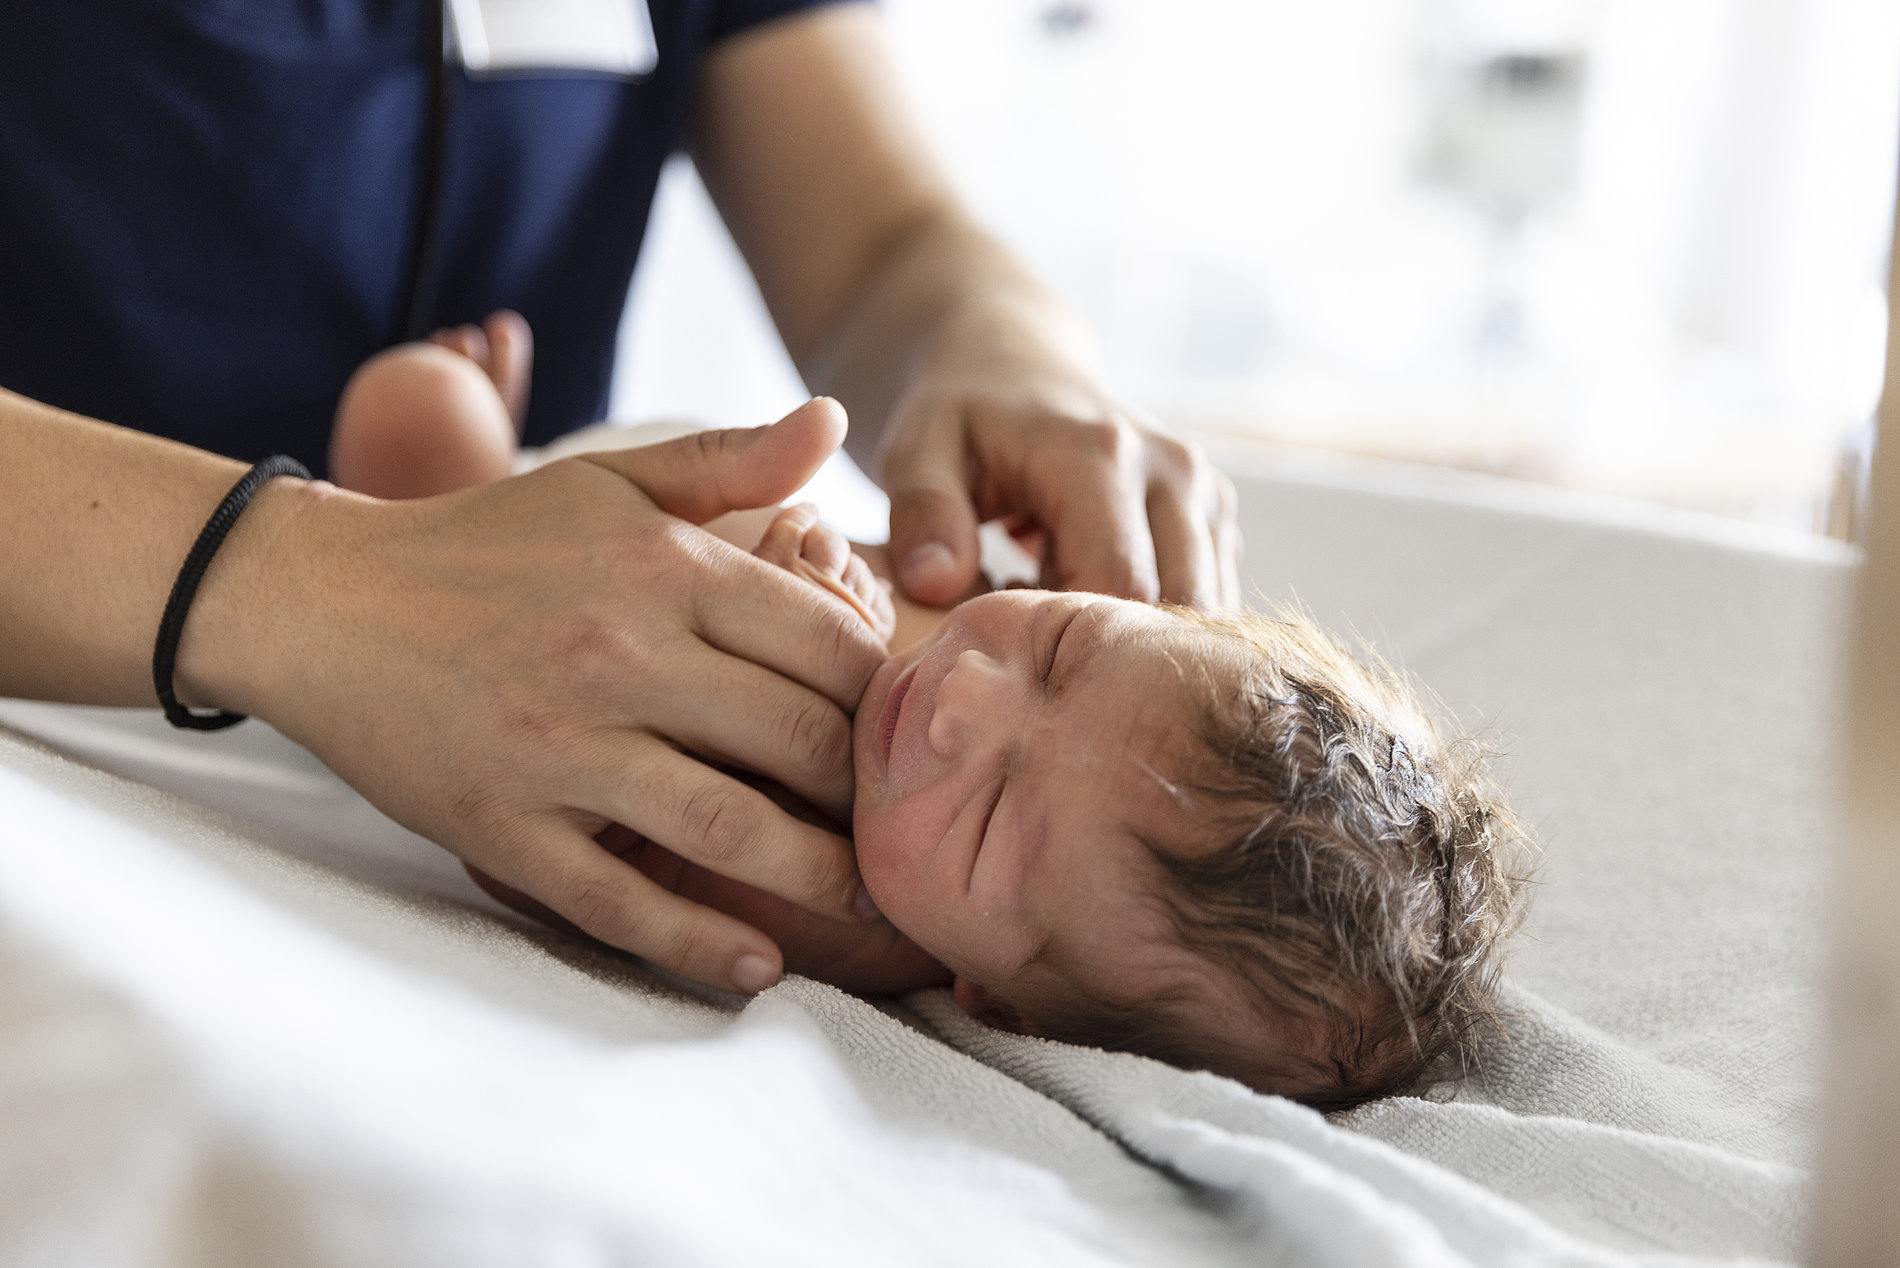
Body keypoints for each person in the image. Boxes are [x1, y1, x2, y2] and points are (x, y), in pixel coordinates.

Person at [0, 2, 1238, 997]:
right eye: (1058, 649)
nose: (970, 689)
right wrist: (303, 581)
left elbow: (885, 246)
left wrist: (999, 344)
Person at [332, 331, 1532, 1110]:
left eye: (996, 811)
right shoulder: (989, 622)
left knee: (408, 414)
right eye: (1063, 650)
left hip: (496, 582)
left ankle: (457, 464)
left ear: (996, 999)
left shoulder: (829, 899)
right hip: (632, 475)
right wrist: (814, 546)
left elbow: (536, 818)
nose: (967, 700)